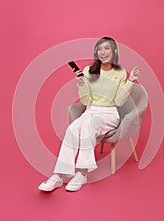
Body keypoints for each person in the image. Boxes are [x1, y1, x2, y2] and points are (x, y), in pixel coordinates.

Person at [38, 36, 140, 192]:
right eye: (99, 49)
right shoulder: (88, 71)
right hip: (90, 110)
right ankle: (58, 175)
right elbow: (86, 101)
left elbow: (119, 101)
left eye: (106, 48)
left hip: (109, 113)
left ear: (114, 51)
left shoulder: (119, 73)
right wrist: (81, 84)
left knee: (88, 127)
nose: (102, 52)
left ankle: (82, 173)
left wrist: (131, 81)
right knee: (72, 129)